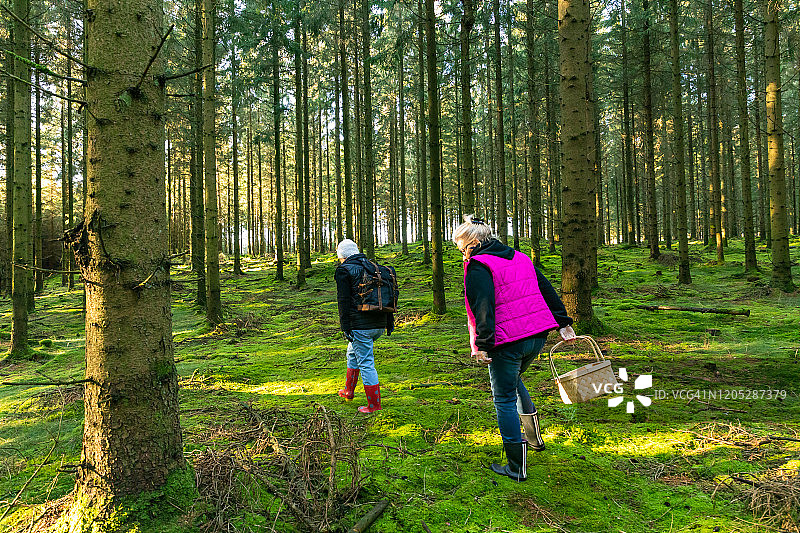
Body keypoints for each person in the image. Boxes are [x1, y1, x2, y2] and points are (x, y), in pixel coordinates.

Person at [454, 216, 576, 482]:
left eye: (463, 247)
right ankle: (534, 440)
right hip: (537, 336)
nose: (462, 253)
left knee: (504, 398)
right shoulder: (520, 257)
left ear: (475, 242)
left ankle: (516, 466)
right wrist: (562, 322)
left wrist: (483, 345)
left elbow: (482, 306)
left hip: (508, 341)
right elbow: (546, 289)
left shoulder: (478, 265)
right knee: (513, 380)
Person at [334, 239, 395, 413]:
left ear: (342, 256)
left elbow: (343, 301)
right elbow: (389, 295)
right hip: (379, 324)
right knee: (352, 352)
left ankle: (374, 405)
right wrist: (389, 322)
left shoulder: (344, 270)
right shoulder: (376, 268)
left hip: (360, 326)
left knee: (366, 362)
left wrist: (345, 327)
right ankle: (348, 391)